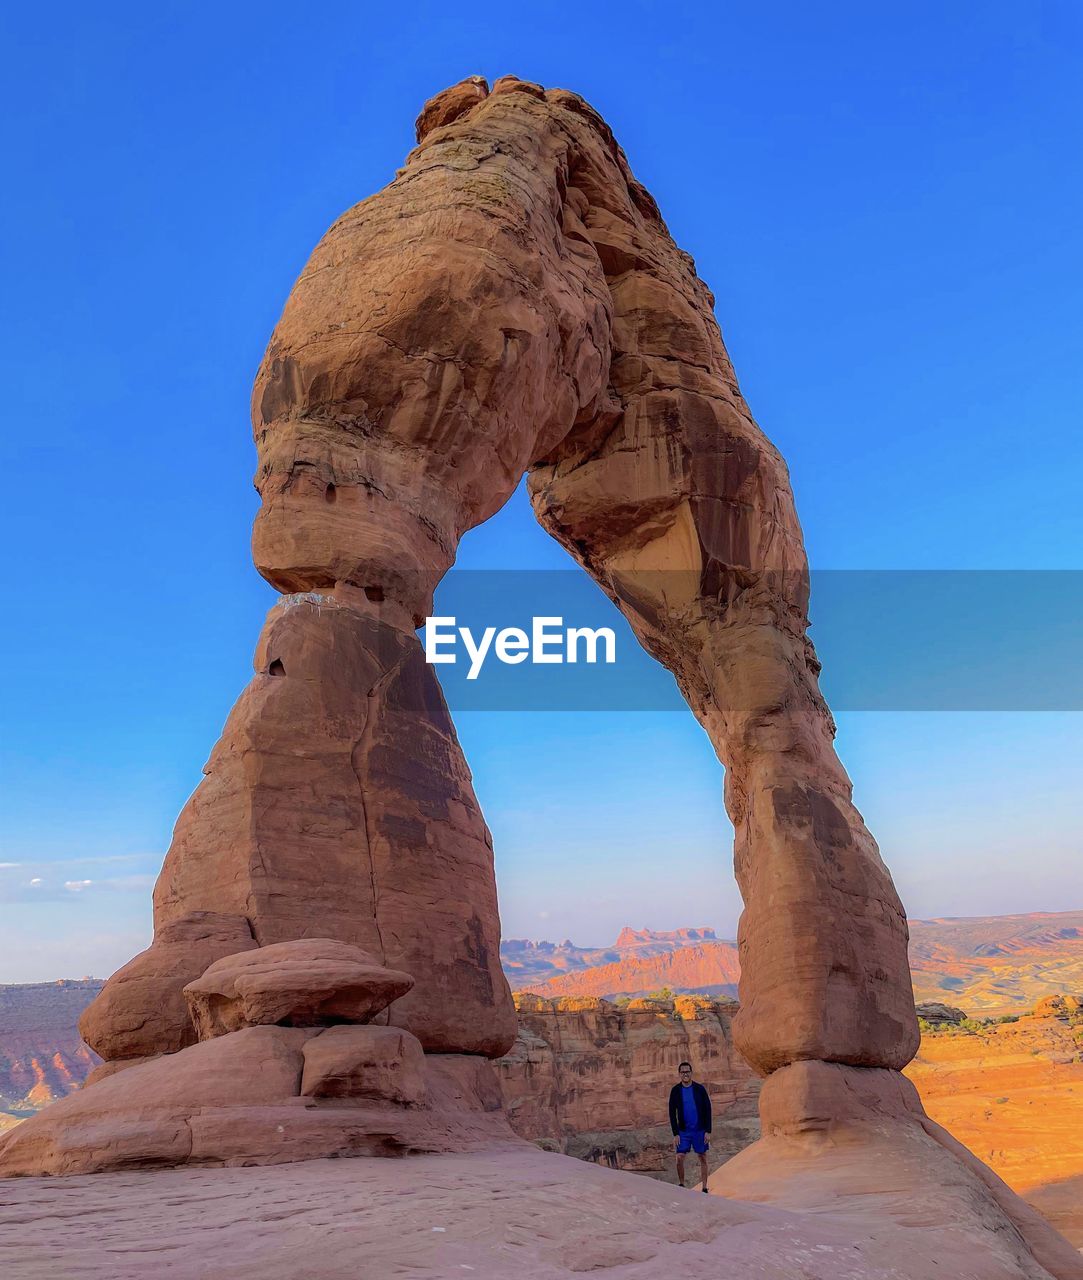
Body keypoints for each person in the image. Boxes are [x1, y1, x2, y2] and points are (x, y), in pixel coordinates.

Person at [668, 1060, 712, 1191]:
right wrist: (675, 1134)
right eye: (683, 1072)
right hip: (683, 1131)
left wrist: (708, 1130)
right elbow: (671, 1112)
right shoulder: (675, 1091)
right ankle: (682, 1184)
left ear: (691, 1073)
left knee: (702, 1156)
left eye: (687, 1071)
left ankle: (704, 1187)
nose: (685, 1074)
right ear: (679, 1074)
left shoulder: (700, 1089)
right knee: (679, 1157)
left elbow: (708, 1108)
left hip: (699, 1129)